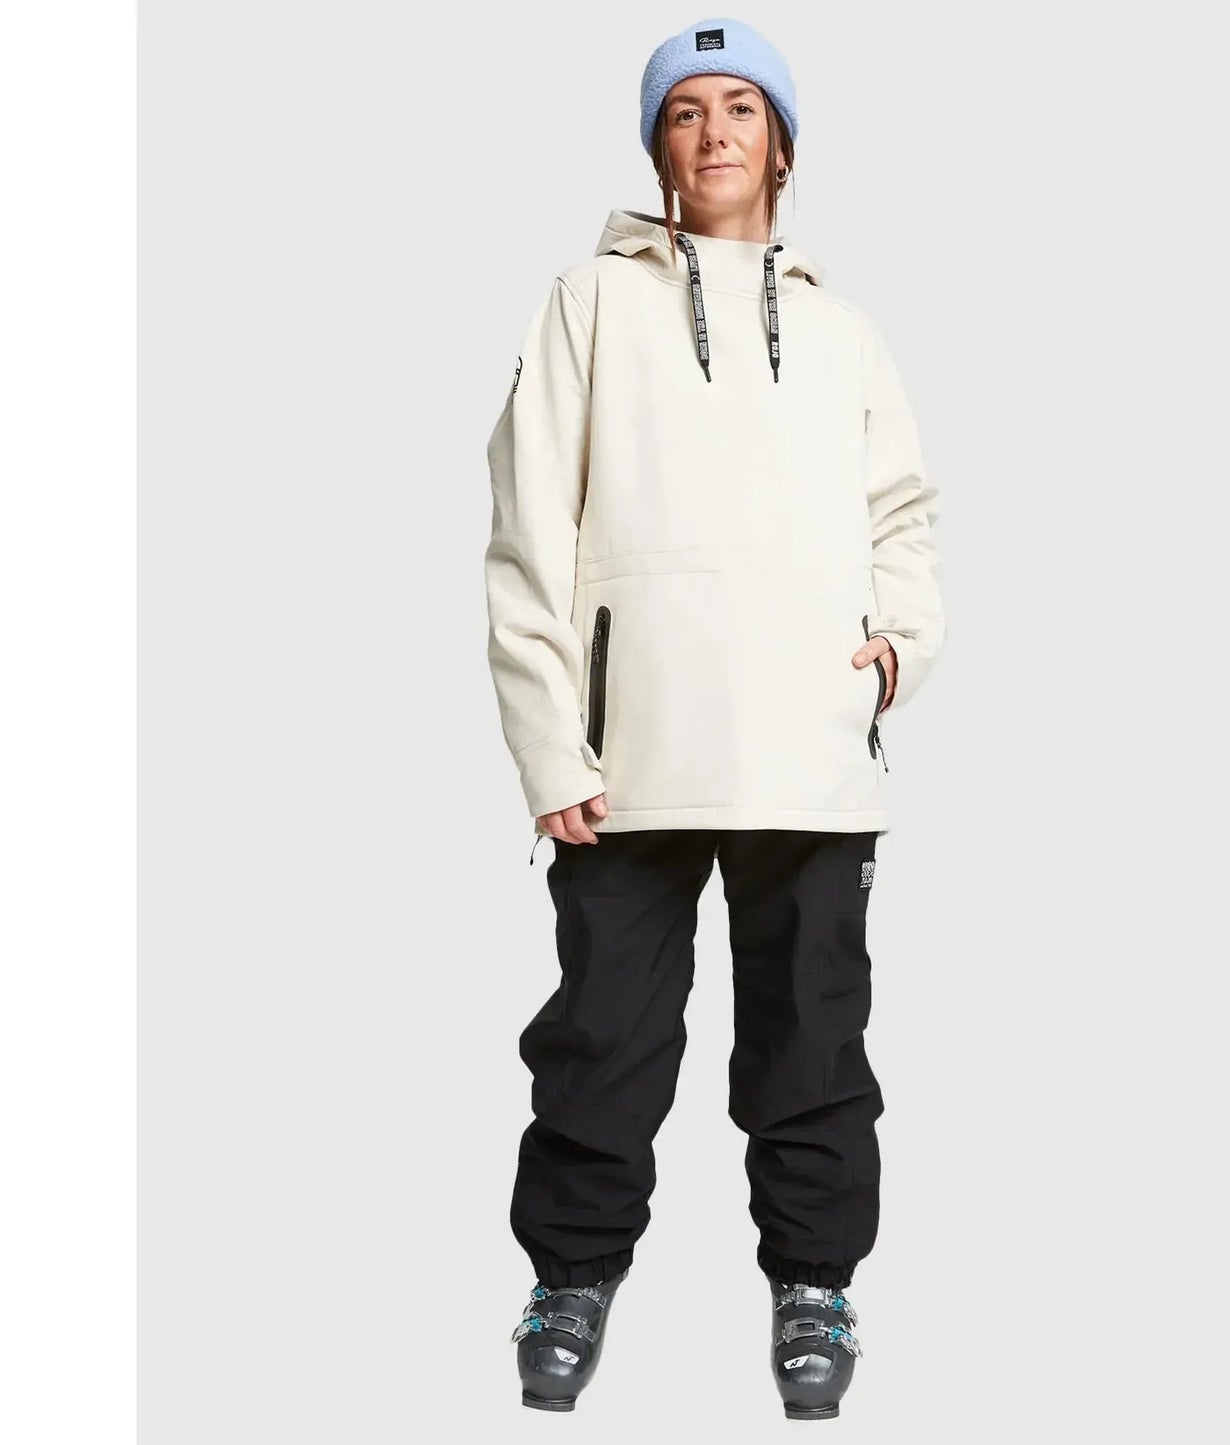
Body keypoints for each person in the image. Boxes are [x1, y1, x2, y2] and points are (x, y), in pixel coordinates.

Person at [485, 15, 944, 1420]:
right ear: (657, 149)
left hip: (810, 751)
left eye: (741, 106)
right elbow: (526, 528)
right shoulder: (588, 303)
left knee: (813, 1039)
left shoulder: (844, 332)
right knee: (603, 1039)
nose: (713, 131)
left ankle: (815, 1282)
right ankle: (572, 1277)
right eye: (684, 110)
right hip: (632, 753)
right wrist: (549, 739)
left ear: (781, 145)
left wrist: (894, 651)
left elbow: (902, 516)